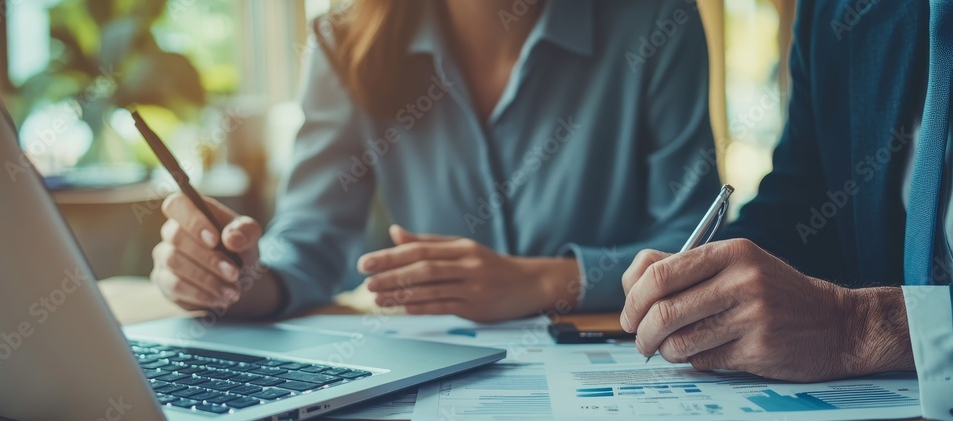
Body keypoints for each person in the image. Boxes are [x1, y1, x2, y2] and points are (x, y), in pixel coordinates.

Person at [150, 0, 719, 323]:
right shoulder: (346, 43)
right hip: (429, 382)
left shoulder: (656, 21)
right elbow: (309, 240)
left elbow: (689, 244)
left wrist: (546, 280)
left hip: (619, 368)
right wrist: (236, 276)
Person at [620, 0, 953, 420]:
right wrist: (705, 277)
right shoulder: (835, 13)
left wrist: (856, 328)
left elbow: (844, 321)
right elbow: (800, 211)